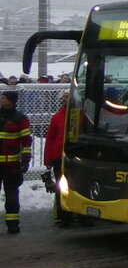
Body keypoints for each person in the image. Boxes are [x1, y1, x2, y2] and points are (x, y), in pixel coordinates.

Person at [0, 89, 32, 235]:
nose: (1, 100)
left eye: (4, 98)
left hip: (11, 166)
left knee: (11, 196)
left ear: (11, 101)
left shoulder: (20, 119)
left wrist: (25, 160)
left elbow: (26, 142)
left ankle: (13, 224)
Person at [43, 92, 73, 226]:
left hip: (73, 156)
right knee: (62, 186)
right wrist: (48, 159)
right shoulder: (57, 118)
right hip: (59, 158)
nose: (64, 100)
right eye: (63, 98)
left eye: (67, 97)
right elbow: (50, 139)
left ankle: (78, 214)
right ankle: (63, 216)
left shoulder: (79, 116)